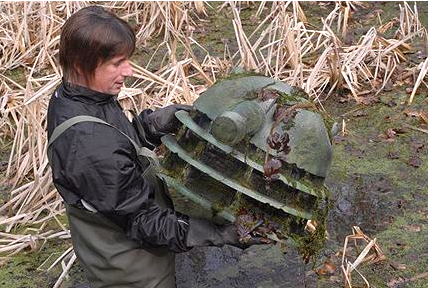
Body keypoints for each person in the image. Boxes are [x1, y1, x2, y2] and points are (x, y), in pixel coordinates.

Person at [47, 6, 268, 288]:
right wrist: (220, 233)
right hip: (129, 268)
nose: (128, 71)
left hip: (129, 236)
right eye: (117, 63)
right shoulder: (88, 146)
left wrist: (151, 126)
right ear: (81, 63)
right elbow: (143, 221)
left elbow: (117, 144)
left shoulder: (77, 94)